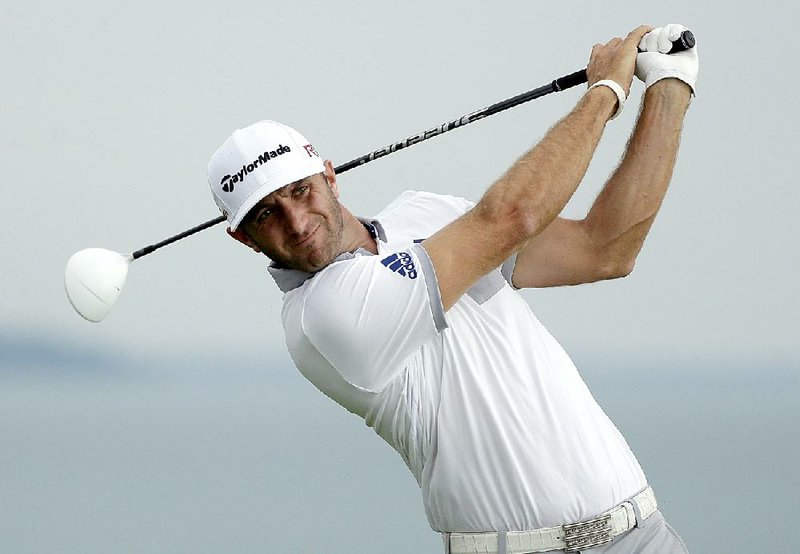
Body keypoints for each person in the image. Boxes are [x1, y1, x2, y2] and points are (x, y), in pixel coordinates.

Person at [207, 23, 697, 554]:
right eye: (267, 215)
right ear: (245, 239)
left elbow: (605, 249)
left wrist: (669, 86)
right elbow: (513, 215)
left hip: (646, 534)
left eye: (300, 191)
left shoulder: (425, 213)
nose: (297, 222)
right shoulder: (321, 317)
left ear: (329, 175)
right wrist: (605, 92)